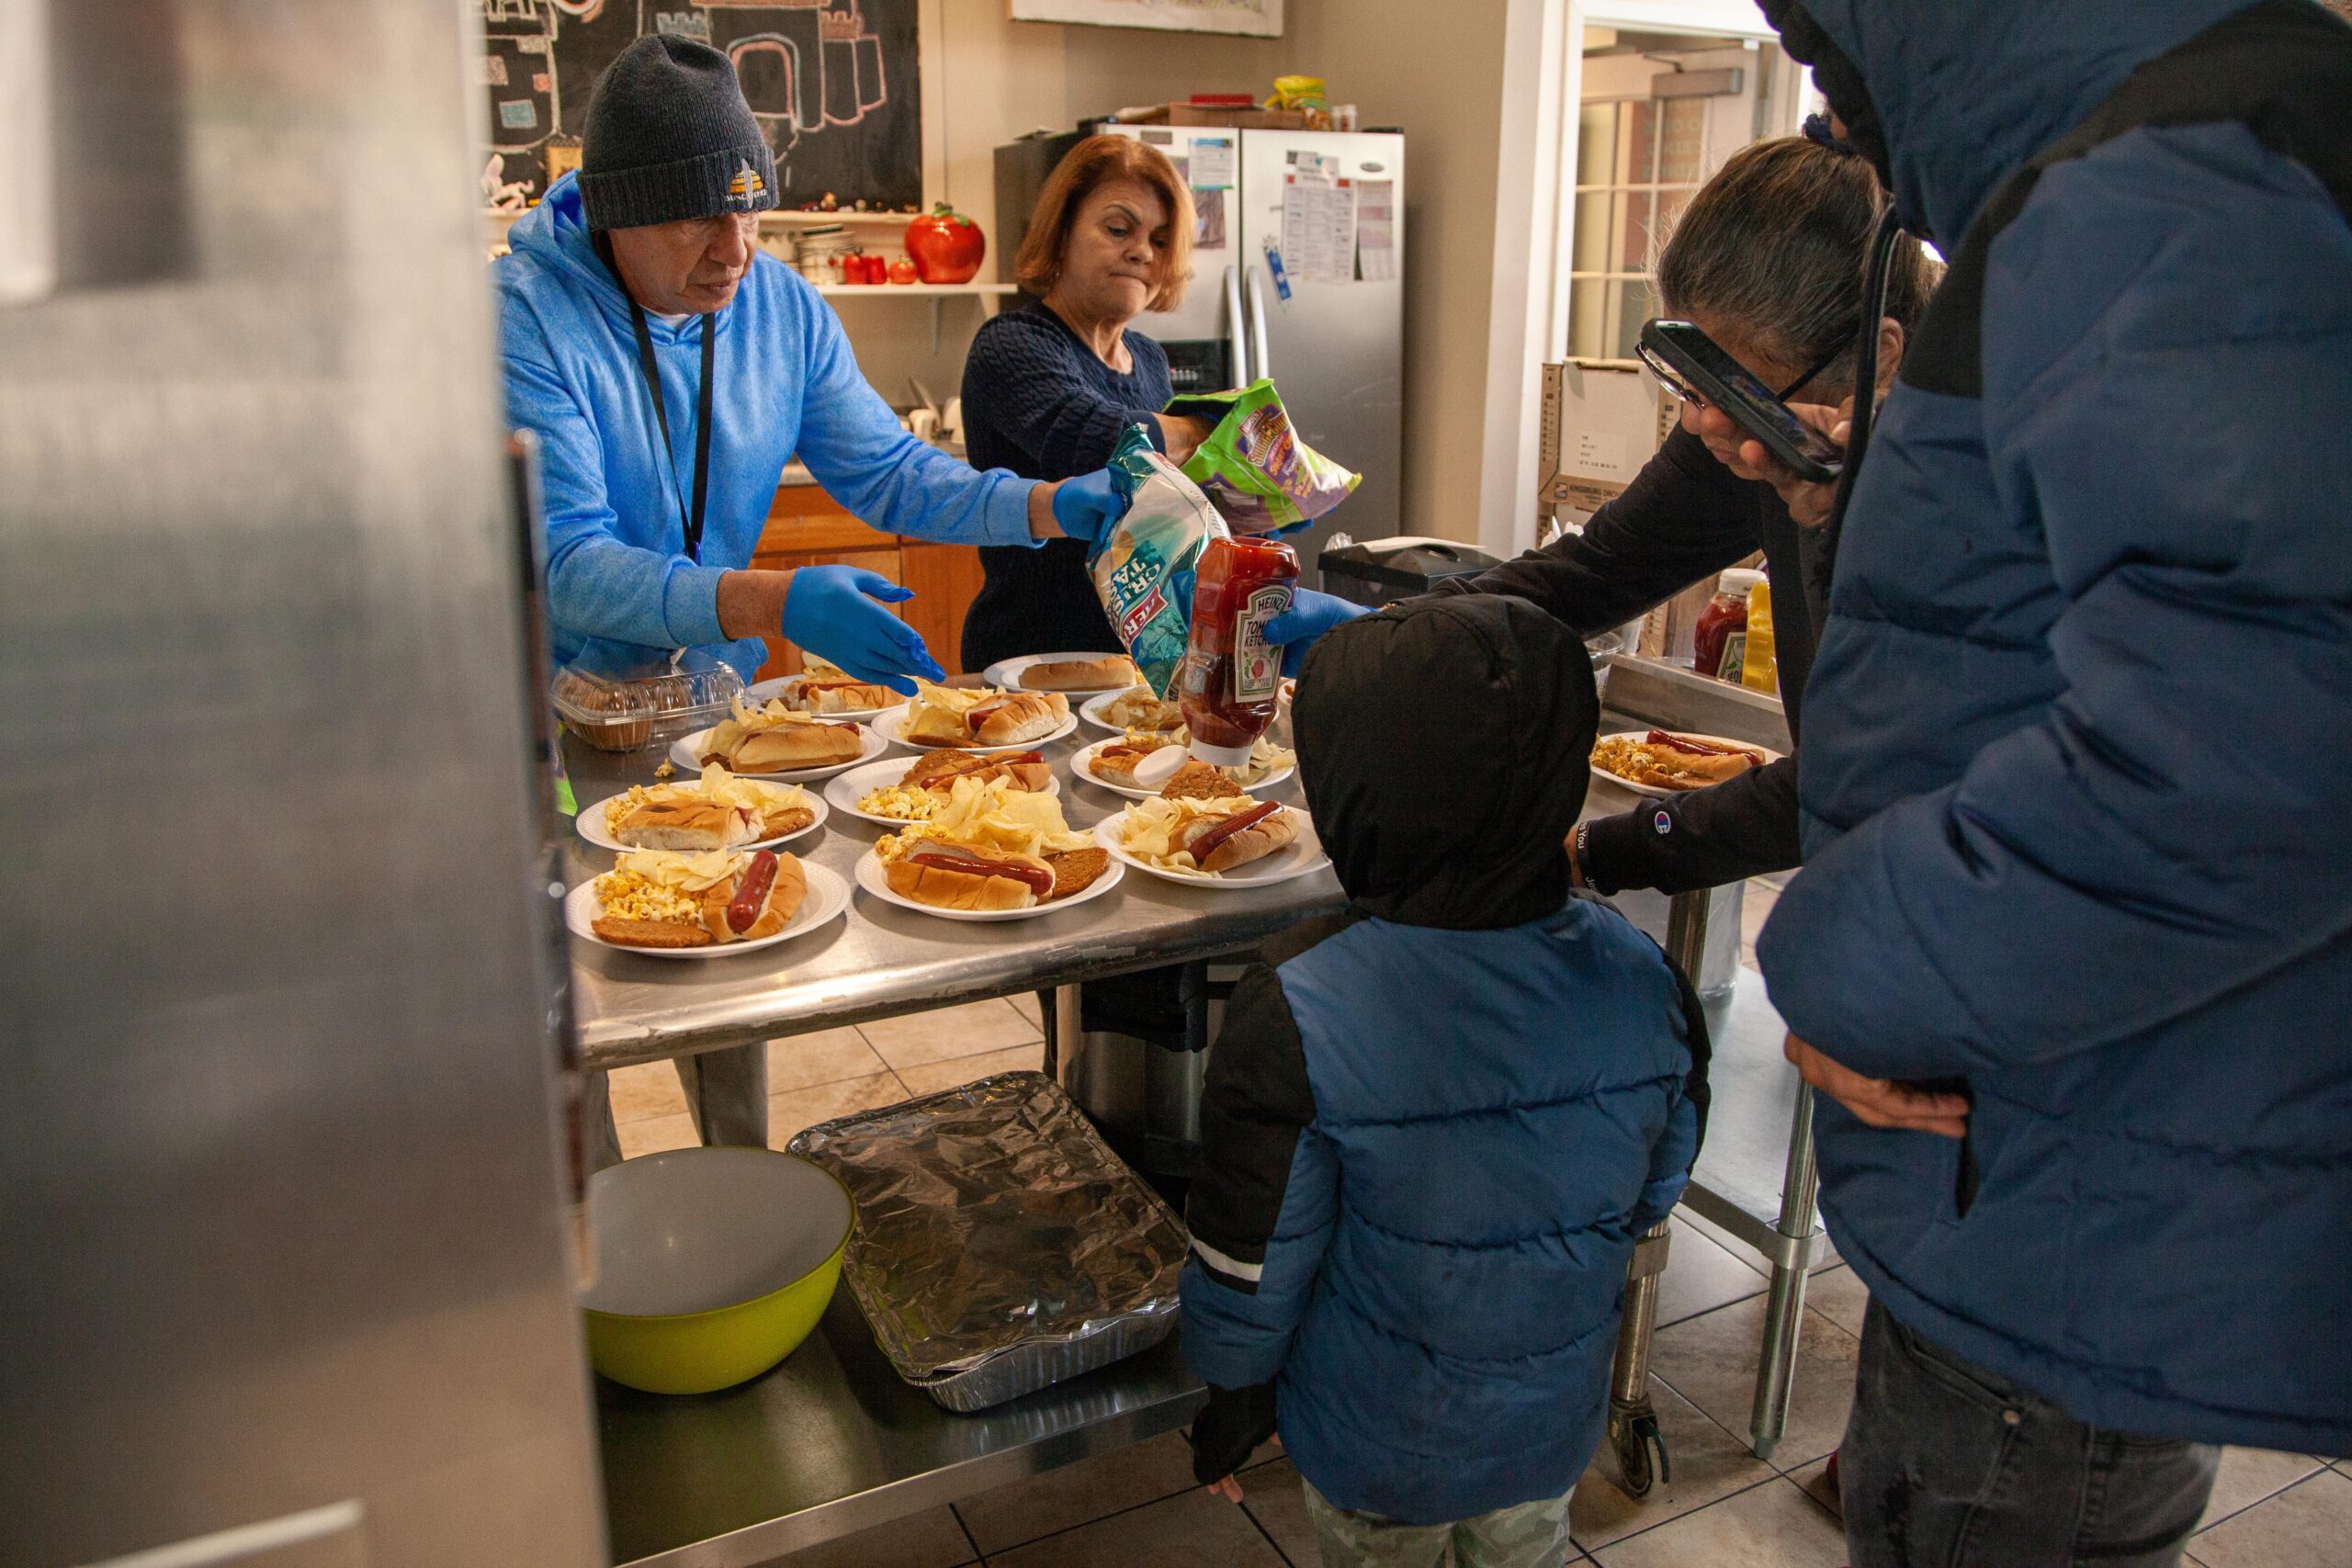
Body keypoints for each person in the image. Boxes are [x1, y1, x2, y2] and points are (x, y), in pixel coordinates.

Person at [1743, 3, 2352, 1564]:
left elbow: (2240, 763)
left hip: (2068, 1186)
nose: (1832, 119)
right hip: (2084, 1148)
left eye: (1830, 59)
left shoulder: (2168, 184)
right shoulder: (2174, 158)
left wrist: (1840, 951)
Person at [496, 37, 1124, 1160]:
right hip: (546, 726)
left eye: (752, 214)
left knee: (728, 955)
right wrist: (772, 599)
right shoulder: (525, 313)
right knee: (577, 1005)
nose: (735, 250)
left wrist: (1042, 505)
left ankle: (734, 1188)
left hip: (704, 721)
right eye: (697, 220)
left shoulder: (776, 306)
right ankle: (589, 1263)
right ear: (613, 213)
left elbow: (892, 473)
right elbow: (565, 560)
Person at [1180, 595, 1707, 1568]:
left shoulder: (1303, 999)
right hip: (1549, 1426)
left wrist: (1233, 1393)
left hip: (1379, 1437)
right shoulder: (1643, 979)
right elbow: (1653, 1188)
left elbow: (1253, 1251)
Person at [1264, 133, 1938, 897]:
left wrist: (1595, 852)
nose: (1698, 423)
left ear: (1879, 357)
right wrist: (1385, 634)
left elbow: (1844, 784)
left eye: (1733, 388)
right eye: (1687, 383)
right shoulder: (1746, 428)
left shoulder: (1964, 497)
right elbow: (1592, 572)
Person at [958, 134, 1217, 671]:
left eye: (1161, 240)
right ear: (1062, 233)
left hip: (1138, 658)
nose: (1143, 251)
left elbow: (1166, 502)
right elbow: (1098, 441)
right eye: (1118, 229)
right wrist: (1210, 432)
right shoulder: (1010, 343)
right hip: (1031, 659)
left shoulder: (1148, 359)